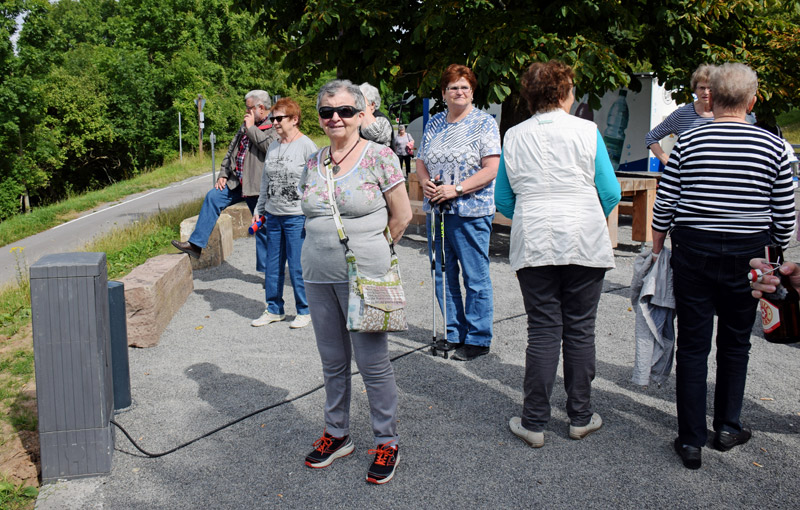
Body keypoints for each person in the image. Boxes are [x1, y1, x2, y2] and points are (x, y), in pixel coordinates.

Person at [651, 63, 795, 470]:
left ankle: (691, 438)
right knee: (736, 342)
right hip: (748, 253)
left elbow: (668, 199)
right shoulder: (773, 146)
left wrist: (659, 240)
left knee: (693, 345)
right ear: (752, 100)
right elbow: (784, 215)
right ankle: (729, 426)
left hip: (694, 249)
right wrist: (776, 250)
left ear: (711, 95)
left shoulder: (690, 141)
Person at [495, 61, 621, 448]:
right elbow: (610, 191)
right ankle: (580, 416)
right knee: (581, 327)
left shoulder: (514, 135)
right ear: (566, 92)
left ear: (528, 96)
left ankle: (533, 421)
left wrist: (534, 217)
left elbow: (503, 198)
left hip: (535, 240)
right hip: (583, 236)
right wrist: (584, 218)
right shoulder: (587, 131)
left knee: (543, 329)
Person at [299, 80, 411, 484]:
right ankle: (337, 433)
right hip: (317, 273)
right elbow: (308, 213)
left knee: (373, 363)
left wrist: (373, 252)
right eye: (327, 111)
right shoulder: (313, 162)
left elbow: (402, 216)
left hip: (366, 274)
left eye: (345, 111)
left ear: (362, 114)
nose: (335, 118)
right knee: (332, 361)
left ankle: (387, 440)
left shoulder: (380, 157)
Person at [416, 64, 501, 361]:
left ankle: (478, 338)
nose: (459, 92)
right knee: (442, 273)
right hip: (438, 209)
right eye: (453, 87)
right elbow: (421, 161)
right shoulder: (435, 123)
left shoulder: (484, 123)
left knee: (475, 277)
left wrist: (458, 188)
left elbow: (492, 168)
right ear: (444, 93)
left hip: (471, 210)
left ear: (472, 92)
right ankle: (454, 332)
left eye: (465, 87)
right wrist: (426, 182)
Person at [172, 90, 277, 270]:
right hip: (236, 182)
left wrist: (251, 128)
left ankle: (269, 273)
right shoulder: (246, 124)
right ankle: (196, 245)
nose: (246, 111)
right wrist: (223, 173)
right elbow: (231, 150)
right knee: (213, 197)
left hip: (256, 187)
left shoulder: (275, 124)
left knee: (261, 228)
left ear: (261, 107)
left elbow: (270, 147)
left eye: (249, 107)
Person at [251, 98, 317, 329]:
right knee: (273, 265)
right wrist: (259, 210)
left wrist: (312, 215)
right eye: (272, 119)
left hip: (296, 216)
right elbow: (265, 181)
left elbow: (315, 183)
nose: (275, 123)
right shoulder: (273, 145)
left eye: (279, 118)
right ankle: (274, 309)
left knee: (297, 266)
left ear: (295, 119)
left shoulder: (307, 146)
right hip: (273, 214)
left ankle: (304, 310)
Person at [645, 64, 714, 166]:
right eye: (702, 88)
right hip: (688, 177)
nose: (706, 92)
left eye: (711, 89)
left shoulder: (727, 114)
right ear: (694, 89)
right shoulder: (682, 113)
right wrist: (670, 164)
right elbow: (651, 137)